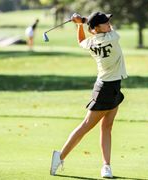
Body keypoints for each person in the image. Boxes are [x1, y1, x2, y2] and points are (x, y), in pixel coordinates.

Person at [50, 12, 128, 178]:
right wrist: (83, 21)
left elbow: (80, 41)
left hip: (112, 85)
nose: (109, 23)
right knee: (86, 125)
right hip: (106, 88)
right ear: (97, 28)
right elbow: (101, 30)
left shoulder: (92, 41)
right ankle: (60, 156)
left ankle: (106, 166)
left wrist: (79, 25)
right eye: (105, 22)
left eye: (108, 21)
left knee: (107, 127)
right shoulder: (112, 36)